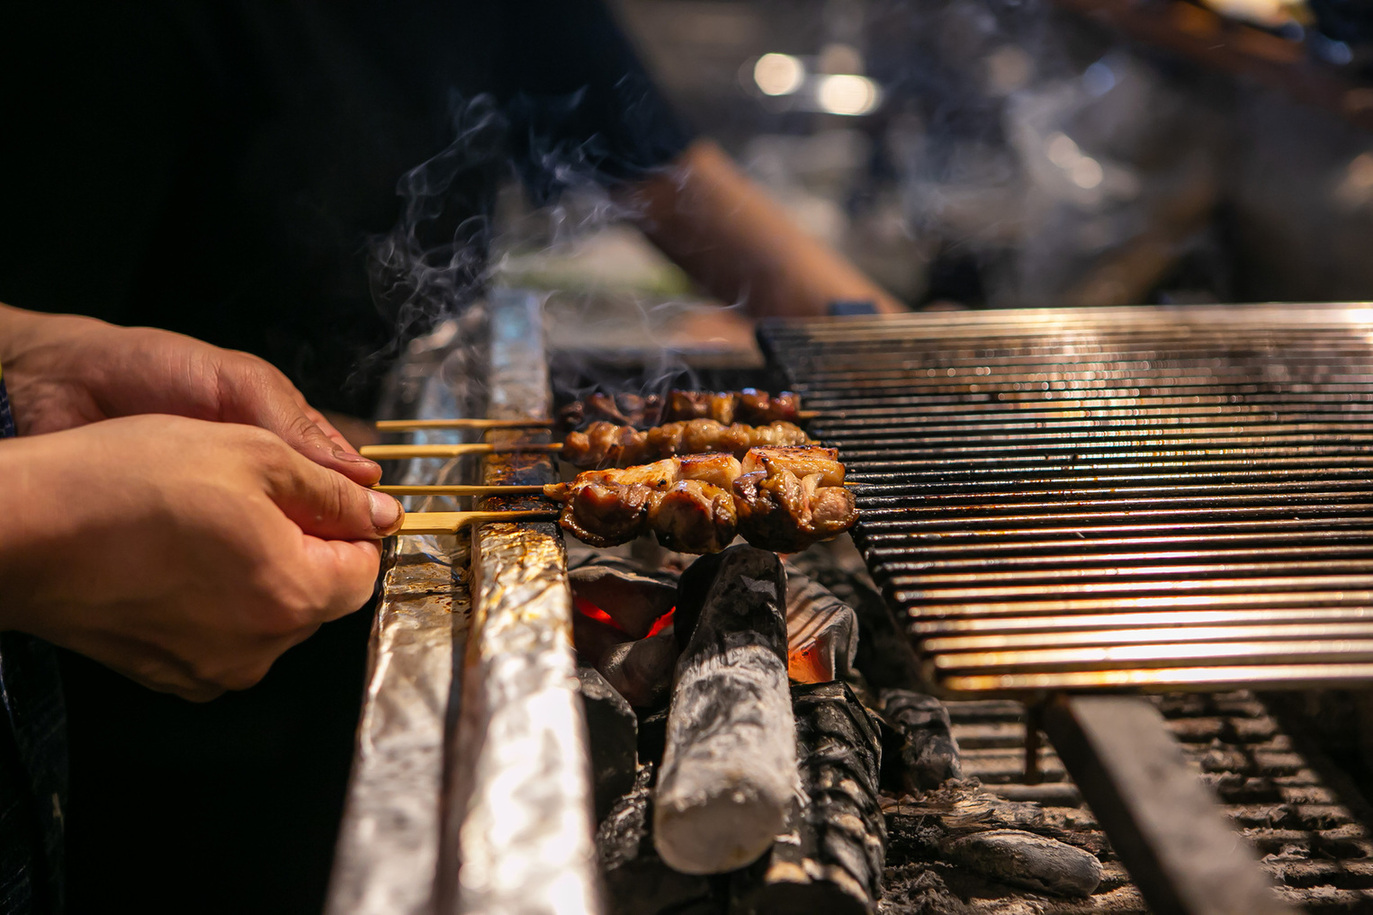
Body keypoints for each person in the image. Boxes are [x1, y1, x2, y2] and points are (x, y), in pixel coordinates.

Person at [0, 2, 900, 911]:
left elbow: (650, 160)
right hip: (144, 649)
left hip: (313, 531)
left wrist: (870, 342)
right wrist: (32, 522)